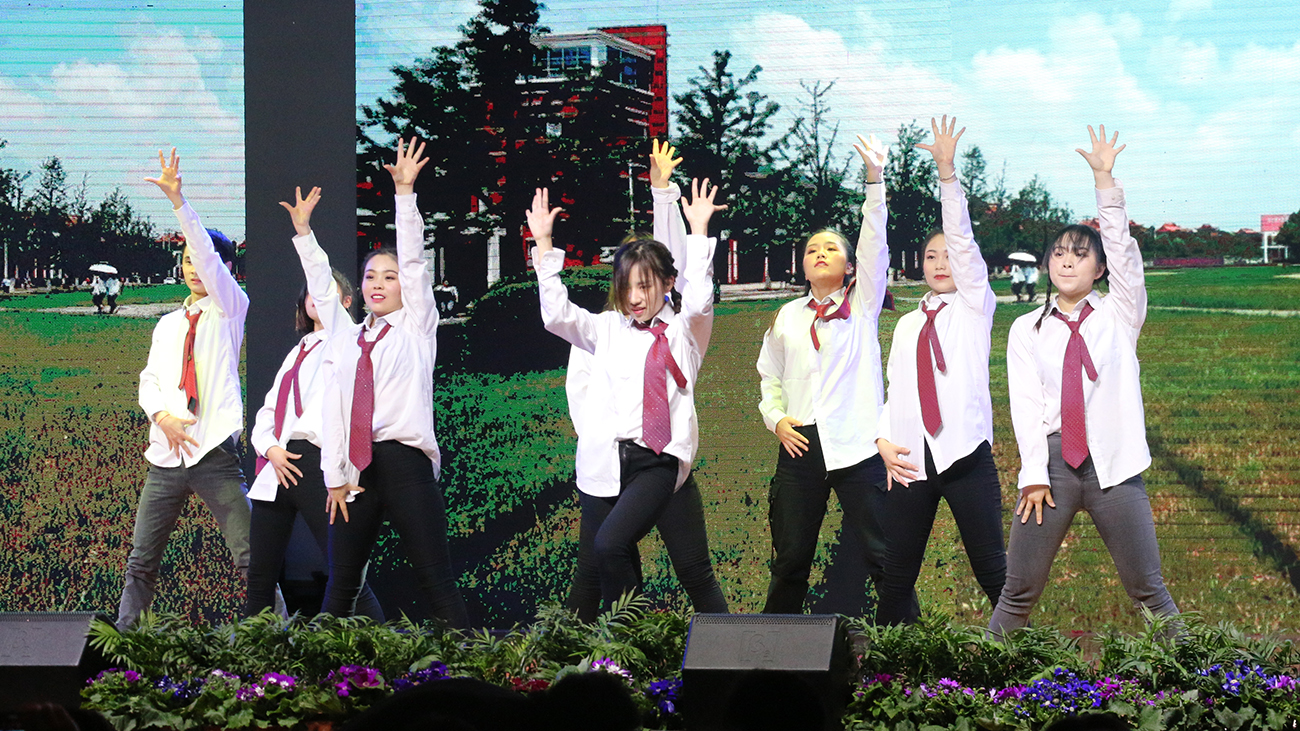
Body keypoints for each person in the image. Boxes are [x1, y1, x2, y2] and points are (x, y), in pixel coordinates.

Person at [988, 125, 1179, 636]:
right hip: (1052, 468)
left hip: (1114, 466)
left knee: (1149, 589)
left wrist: (1104, 183)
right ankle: (979, 676)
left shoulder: (1121, 313)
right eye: (1058, 253)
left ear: (1099, 269)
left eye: (1079, 254)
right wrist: (1033, 473)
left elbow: (1124, 251)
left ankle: (1200, 675)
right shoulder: (1027, 328)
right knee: (1017, 591)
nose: (1067, 260)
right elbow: (1025, 407)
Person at [528, 174, 722, 613]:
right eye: (626, 286)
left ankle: (644, 635)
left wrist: (697, 232)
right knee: (590, 574)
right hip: (605, 463)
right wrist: (543, 245)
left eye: (645, 286)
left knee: (618, 546)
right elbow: (557, 316)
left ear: (668, 283)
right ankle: (600, 646)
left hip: (657, 461)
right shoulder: (607, 329)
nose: (634, 297)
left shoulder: (685, 332)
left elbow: (699, 301)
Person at [755, 133, 915, 617]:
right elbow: (769, 377)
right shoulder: (787, 317)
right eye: (811, 250)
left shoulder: (862, 305)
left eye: (831, 249)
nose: (820, 253)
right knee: (791, 560)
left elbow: (875, 246)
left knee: (883, 557)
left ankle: (911, 644)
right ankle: (773, 644)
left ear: (849, 266)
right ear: (803, 266)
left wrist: (874, 182)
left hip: (857, 444)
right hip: (801, 445)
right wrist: (777, 419)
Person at [319, 137, 468, 628]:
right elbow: (335, 412)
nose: (378, 284)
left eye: (389, 276)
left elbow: (415, 261)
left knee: (437, 582)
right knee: (341, 585)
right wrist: (335, 475)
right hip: (356, 472)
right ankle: (320, 669)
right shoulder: (347, 341)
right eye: (370, 277)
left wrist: (404, 194)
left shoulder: (417, 327)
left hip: (406, 465)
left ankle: (470, 666)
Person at [872, 116, 1005, 625]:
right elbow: (895, 390)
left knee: (993, 571)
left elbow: (963, 244)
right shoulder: (908, 324)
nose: (942, 262)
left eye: (949, 255)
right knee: (896, 574)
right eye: (932, 256)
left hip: (964, 455)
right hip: (909, 460)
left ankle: (1028, 658)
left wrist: (947, 175)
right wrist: (883, 440)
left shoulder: (974, 306)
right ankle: (890, 659)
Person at [117, 148, 249, 629]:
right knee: (141, 560)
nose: (195, 268)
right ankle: (127, 640)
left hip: (213, 453)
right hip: (166, 457)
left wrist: (178, 202)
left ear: (226, 269)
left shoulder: (230, 309)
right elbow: (150, 380)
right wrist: (162, 418)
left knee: (249, 556)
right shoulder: (168, 324)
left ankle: (272, 639)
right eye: (187, 261)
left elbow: (209, 260)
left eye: (204, 261)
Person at [244, 185, 384, 620]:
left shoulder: (347, 339)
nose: (315, 297)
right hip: (276, 464)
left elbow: (322, 282)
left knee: (344, 569)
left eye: (323, 293)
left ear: (345, 301)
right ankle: (256, 651)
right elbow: (268, 411)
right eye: (309, 294)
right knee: (260, 574)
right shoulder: (298, 351)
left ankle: (381, 640)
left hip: (316, 461)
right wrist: (269, 447)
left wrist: (304, 233)